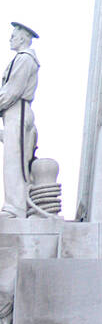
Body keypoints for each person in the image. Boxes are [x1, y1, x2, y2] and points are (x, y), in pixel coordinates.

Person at [0, 23, 40, 218]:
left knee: (15, 161)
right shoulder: (20, 59)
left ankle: (15, 208)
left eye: (13, 35)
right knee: (11, 159)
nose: (10, 38)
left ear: (23, 38)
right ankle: (13, 205)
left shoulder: (24, 59)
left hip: (18, 110)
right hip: (13, 112)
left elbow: (12, 91)